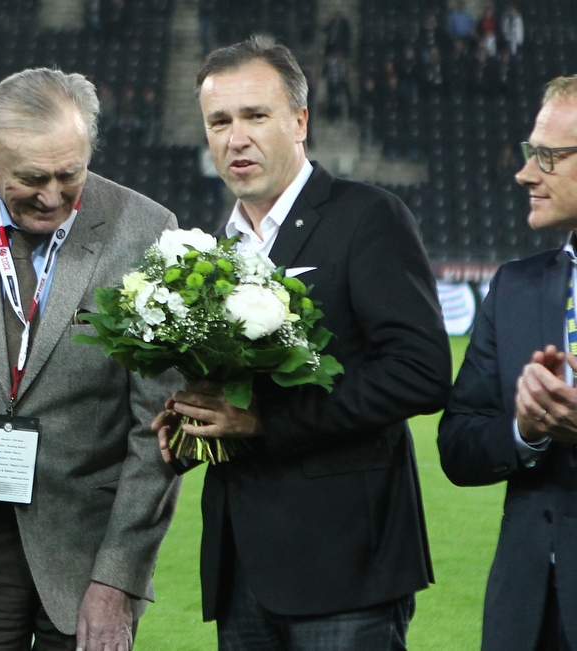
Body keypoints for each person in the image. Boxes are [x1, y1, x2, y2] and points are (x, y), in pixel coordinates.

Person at [154, 36, 451, 651]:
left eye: (256, 116)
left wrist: (266, 420)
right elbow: (238, 393)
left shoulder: (367, 217)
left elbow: (420, 372)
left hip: (346, 565)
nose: (236, 137)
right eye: (220, 121)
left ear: (299, 121)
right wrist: (194, 423)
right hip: (241, 569)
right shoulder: (215, 251)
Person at [0, 67, 181, 651]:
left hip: (87, 548)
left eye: (70, 173)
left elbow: (158, 427)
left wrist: (118, 578)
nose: (52, 195)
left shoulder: (148, 232)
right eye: (31, 177)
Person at [438, 74, 577, 651]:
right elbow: (458, 443)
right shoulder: (515, 287)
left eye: (547, 155)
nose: (525, 173)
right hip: (525, 614)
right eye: (530, 153)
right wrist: (525, 430)